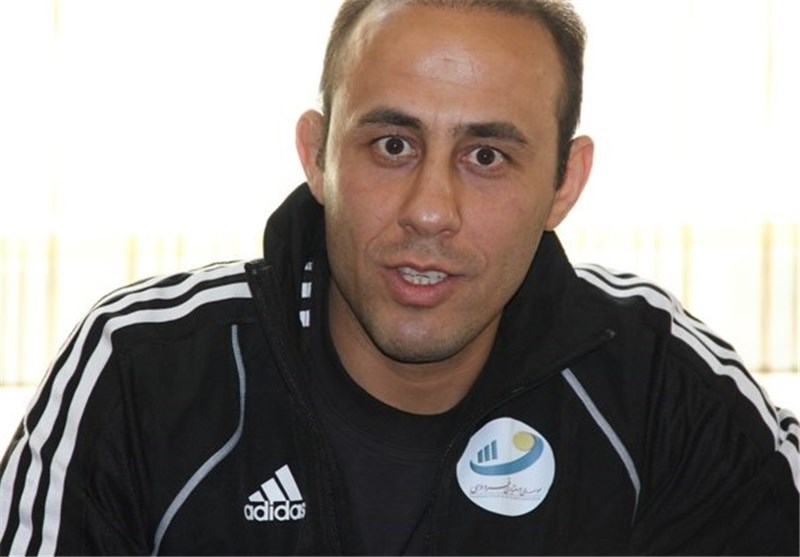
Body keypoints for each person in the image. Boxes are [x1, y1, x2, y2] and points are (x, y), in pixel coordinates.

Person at [1, 0, 798, 554]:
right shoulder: (144, 371)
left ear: (565, 182)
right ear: (317, 155)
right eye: (392, 145)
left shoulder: (658, 381)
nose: (430, 210)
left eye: (487, 155)